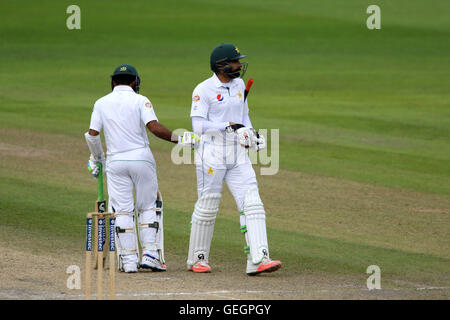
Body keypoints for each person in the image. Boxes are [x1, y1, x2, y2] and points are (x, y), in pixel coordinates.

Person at [84, 64, 196, 273]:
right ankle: (150, 254)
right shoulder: (141, 100)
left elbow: (92, 134)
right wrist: (181, 139)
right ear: (134, 82)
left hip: (115, 162)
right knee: (148, 206)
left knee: (122, 210)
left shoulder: (101, 103)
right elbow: (155, 128)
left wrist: (97, 158)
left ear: (114, 81)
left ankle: (128, 261)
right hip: (141, 159)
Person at [186, 43, 282, 275]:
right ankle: (197, 259)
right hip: (212, 153)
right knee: (208, 204)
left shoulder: (239, 84)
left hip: (238, 153)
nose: (239, 65)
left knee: (252, 203)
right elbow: (198, 126)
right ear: (221, 65)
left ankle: (258, 258)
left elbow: (244, 116)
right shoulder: (204, 89)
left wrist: (252, 134)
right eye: (235, 62)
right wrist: (229, 127)